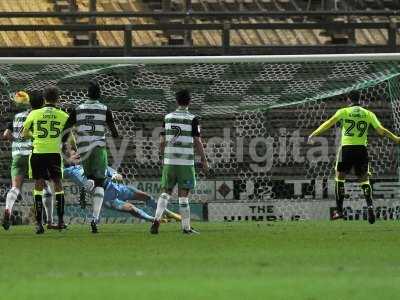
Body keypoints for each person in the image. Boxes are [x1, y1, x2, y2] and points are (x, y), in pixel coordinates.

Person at [308, 90, 400, 224]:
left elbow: (328, 123)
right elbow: (381, 130)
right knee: (364, 180)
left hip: (347, 148)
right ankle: (370, 206)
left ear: (348, 100)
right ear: (359, 99)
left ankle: (339, 211)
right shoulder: (369, 114)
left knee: (339, 178)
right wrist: (396, 138)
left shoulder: (343, 112)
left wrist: (314, 134)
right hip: (361, 149)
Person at [62, 150, 181, 223]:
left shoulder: (90, 163)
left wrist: (115, 174)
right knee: (130, 208)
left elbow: (106, 169)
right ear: (67, 159)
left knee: (145, 196)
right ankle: (153, 219)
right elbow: (57, 173)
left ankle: (169, 213)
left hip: (116, 187)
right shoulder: (70, 171)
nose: (77, 155)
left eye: (77, 153)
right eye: (74, 155)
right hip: (106, 198)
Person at [63, 80, 119, 233]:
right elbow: (115, 133)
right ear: (99, 95)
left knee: (90, 179)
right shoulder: (105, 109)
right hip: (98, 148)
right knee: (100, 183)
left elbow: (66, 128)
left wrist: (63, 144)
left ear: (87, 94)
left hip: (83, 148)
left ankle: (87, 183)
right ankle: (94, 218)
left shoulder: (78, 108)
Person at [150, 89, 208, 235]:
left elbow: (162, 141)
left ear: (176, 101)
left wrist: (163, 157)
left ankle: (156, 220)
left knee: (165, 193)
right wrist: (204, 160)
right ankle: (186, 228)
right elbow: (198, 141)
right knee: (183, 196)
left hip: (170, 161)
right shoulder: (193, 119)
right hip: (185, 163)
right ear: (189, 102)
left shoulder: (168, 118)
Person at [2, 91, 56, 230]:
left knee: (15, 187)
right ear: (42, 103)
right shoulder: (39, 116)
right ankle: (49, 221)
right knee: (45, 188)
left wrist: (17, 140)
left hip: (18, 155)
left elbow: (6, 135)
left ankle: (8, 209)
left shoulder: (17, 116)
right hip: (33, 154)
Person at [22, 86, 69, 234]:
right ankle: (61, 221)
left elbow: (23, 134)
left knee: (38, 186)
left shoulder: (34, 113)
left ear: (44, 99)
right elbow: (67, 135)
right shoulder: (63, 115)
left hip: (38, 153)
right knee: (58, 184)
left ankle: (39, 224)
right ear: (58, 98)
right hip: (54, 153)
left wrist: (35, 136)